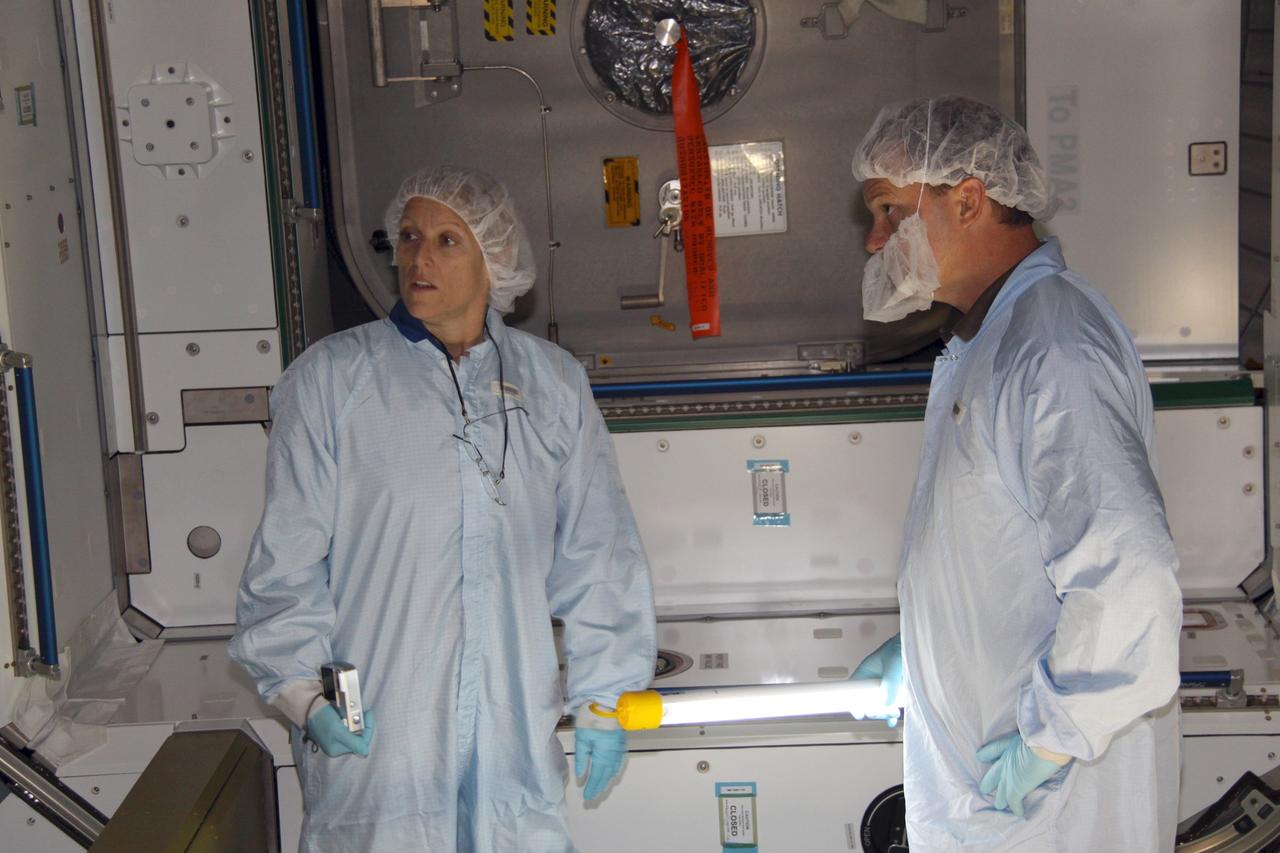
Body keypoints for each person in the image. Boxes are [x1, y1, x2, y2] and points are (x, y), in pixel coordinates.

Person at [229, 165, 657, 852]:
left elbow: (597, 552)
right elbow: (287, 560)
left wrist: (604, 700)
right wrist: (302, 697)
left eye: (447, 240)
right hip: (379, 742)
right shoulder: (331, 381)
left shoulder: (551, 384)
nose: (419, 257)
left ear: (495, 257)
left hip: (510, 729)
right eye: (407, 236)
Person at [848, 96, 1183, 850]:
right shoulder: (992, 338)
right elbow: (1003, 546)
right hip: (1002, 794)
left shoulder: (1050, 343)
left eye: (888, 210)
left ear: (967, 198)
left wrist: (1049, 741)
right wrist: (926, 642)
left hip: (1057, 805)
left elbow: (1129, 574)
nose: (873, 240)